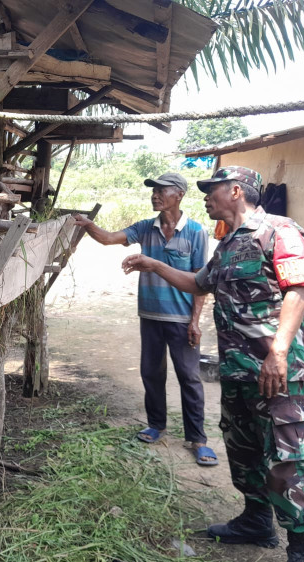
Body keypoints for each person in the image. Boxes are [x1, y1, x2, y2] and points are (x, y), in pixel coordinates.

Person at [122, 166, 304, 562]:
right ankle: (255, 521)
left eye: (211, 191)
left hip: (276, 371)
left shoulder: (280, 230)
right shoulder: (228, 244)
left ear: (235, 191)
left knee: (286, 457)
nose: (206, 198)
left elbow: (299, 290)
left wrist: (280, 351)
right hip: (237, 369)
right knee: (244, 448)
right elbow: (198, 282)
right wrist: (153, 263)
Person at [73, 172, 217, 466]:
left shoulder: (196, 232)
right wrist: (88, 225)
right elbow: (108, 239)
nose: (155, 195)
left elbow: (202, 281)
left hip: (180, 319)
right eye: (153, 191)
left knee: (189, 378)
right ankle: (156, 425)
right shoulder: (145, 228)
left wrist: (195, 321)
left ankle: (198, 439)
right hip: (150, 315)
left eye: (161, 190)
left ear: (179, 195)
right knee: (151, 373)